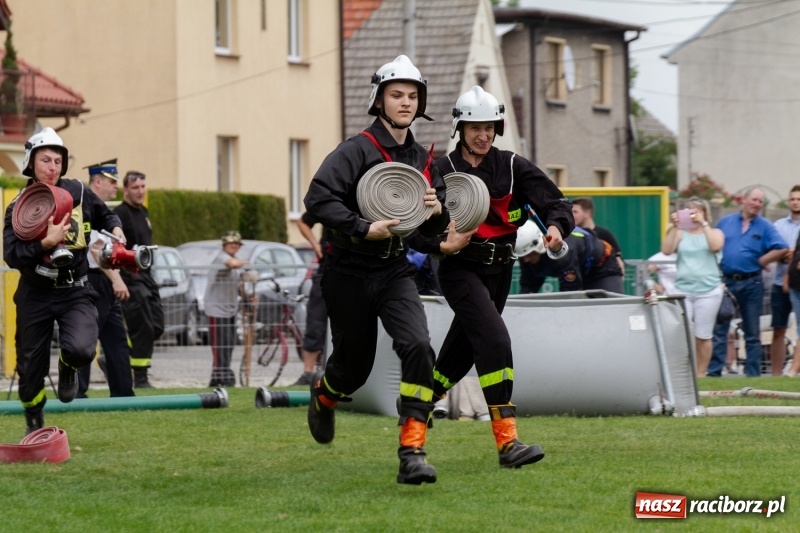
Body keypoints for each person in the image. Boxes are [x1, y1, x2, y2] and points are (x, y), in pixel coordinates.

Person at [303, 54, 450, 485]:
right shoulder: (354, 150)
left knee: (418, 346)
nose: (405, 102)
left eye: (412, 96)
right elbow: (318, 201)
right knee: (354, 368)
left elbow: (428, 227)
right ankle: (324, 397)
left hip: (393, 272)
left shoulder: (424, 158)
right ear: (379, 100)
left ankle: (412, 451)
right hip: (346, 270)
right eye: (396, 95)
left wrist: (439, 212)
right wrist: (363, 227)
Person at [414, 85, 574, 469]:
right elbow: (417, 229)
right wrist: (441, 243)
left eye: (489, 127)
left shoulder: (514, 165)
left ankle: (418, 405)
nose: (483, 135)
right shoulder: (439, 170)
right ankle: (508, 443)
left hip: (502, 269)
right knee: (495, 338)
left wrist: (556, 228)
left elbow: (556, 203)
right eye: (475, 128)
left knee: (466, 347)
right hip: (458, 268)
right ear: (460, 129)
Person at [3, 128, 125, 435]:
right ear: (31, 163)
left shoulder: (79, 192)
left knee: (83, 349)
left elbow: (104, 215)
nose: (53, 167)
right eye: (46, 160)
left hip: (76, 289)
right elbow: (12, 255)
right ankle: (34, 420)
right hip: (35, 292)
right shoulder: (17, 206)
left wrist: (117, 228)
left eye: (58, 161)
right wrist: (44, 244)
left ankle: (69, 368)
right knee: (30, 368)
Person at [709, 186, 788, 377]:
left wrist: (763, 260)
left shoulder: (765, 226)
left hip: (752, 282)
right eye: (754, 199)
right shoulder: (725, 222)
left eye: (760, 201)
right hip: (726, 282)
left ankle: (753, 374)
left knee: (752, 331)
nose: (757, 204)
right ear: (743, 200)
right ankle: (714, 372)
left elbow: (782, 248)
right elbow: (712, 244)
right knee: (720, 329)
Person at [77, 159, 135, 398]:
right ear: (97, 181)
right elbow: (95, 248)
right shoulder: (85, 207)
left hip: (106, 281)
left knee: (117, 342)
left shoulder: (104, 210)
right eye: (112, 182)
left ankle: (123, 394)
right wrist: (116, 279)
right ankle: (77, 394)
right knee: (85, 341)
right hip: (93, 281)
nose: (116, 187)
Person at [660, 198, 725, 376]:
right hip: (683, 290)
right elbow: (666, 250)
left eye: (696, 210)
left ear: (705, 213)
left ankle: (701, 373)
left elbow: (715, 246)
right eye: (688, 210)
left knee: (703, 334)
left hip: (708, 290)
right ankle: (682, 372)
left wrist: (703, 223)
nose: (692, 214)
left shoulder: (715, 232)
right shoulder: (680, 233)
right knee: (681, 332)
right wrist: (675, 226)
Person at [114, 170, 164, 388]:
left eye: (143, 187)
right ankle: (141, 378)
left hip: (147, 276)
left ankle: (115, 357)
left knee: (157, 325)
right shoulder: (119, 214)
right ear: (125, 190)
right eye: (135, 188)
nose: (140, 191)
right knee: (142, 327)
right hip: (130, 277)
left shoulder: (143, 211)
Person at [517, 223, 622, 293]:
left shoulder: (563, 251)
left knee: (611, 307)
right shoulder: (525, 252)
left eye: (530, 254)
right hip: (578, 266)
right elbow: (528, 287)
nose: (526, 260)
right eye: (523, 257)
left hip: (601, 266)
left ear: (540, 246)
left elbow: (571, 294)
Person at [204, 231, 248, 387]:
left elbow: (238, 285)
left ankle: (217, 377)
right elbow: (231, 264)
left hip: (230, 309)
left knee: (228, 344)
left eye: (237, 243)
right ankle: (223, 376)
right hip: (216, 310)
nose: (234, 246)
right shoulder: (222, 258)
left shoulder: (234, 260)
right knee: (219, 346)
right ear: (224, 245)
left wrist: (247, 297)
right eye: (231, 243)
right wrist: (246, 263)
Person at [291, 212, 328, 386]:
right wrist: (315, 245)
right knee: (315, 322)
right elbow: (303, 222)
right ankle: (308, 373)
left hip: (357, 271)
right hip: (327, 268)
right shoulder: (328, 199)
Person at [768, 186, 800, 376]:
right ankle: (775, 375)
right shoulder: (778, 225)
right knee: (778, 329)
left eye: (799, 199)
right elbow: (771, 249)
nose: (795, 202)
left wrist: (794, 256)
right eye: (793, 199)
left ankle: (794, 370)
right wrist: (783, 255)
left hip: (798, 283)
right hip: (781, 282)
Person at [571, 197, 625, 276]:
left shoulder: (604, 234)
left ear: (587, 213)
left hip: (601, 278)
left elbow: (618, 260)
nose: (571, 215)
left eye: (575, 212)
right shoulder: (571, 235)